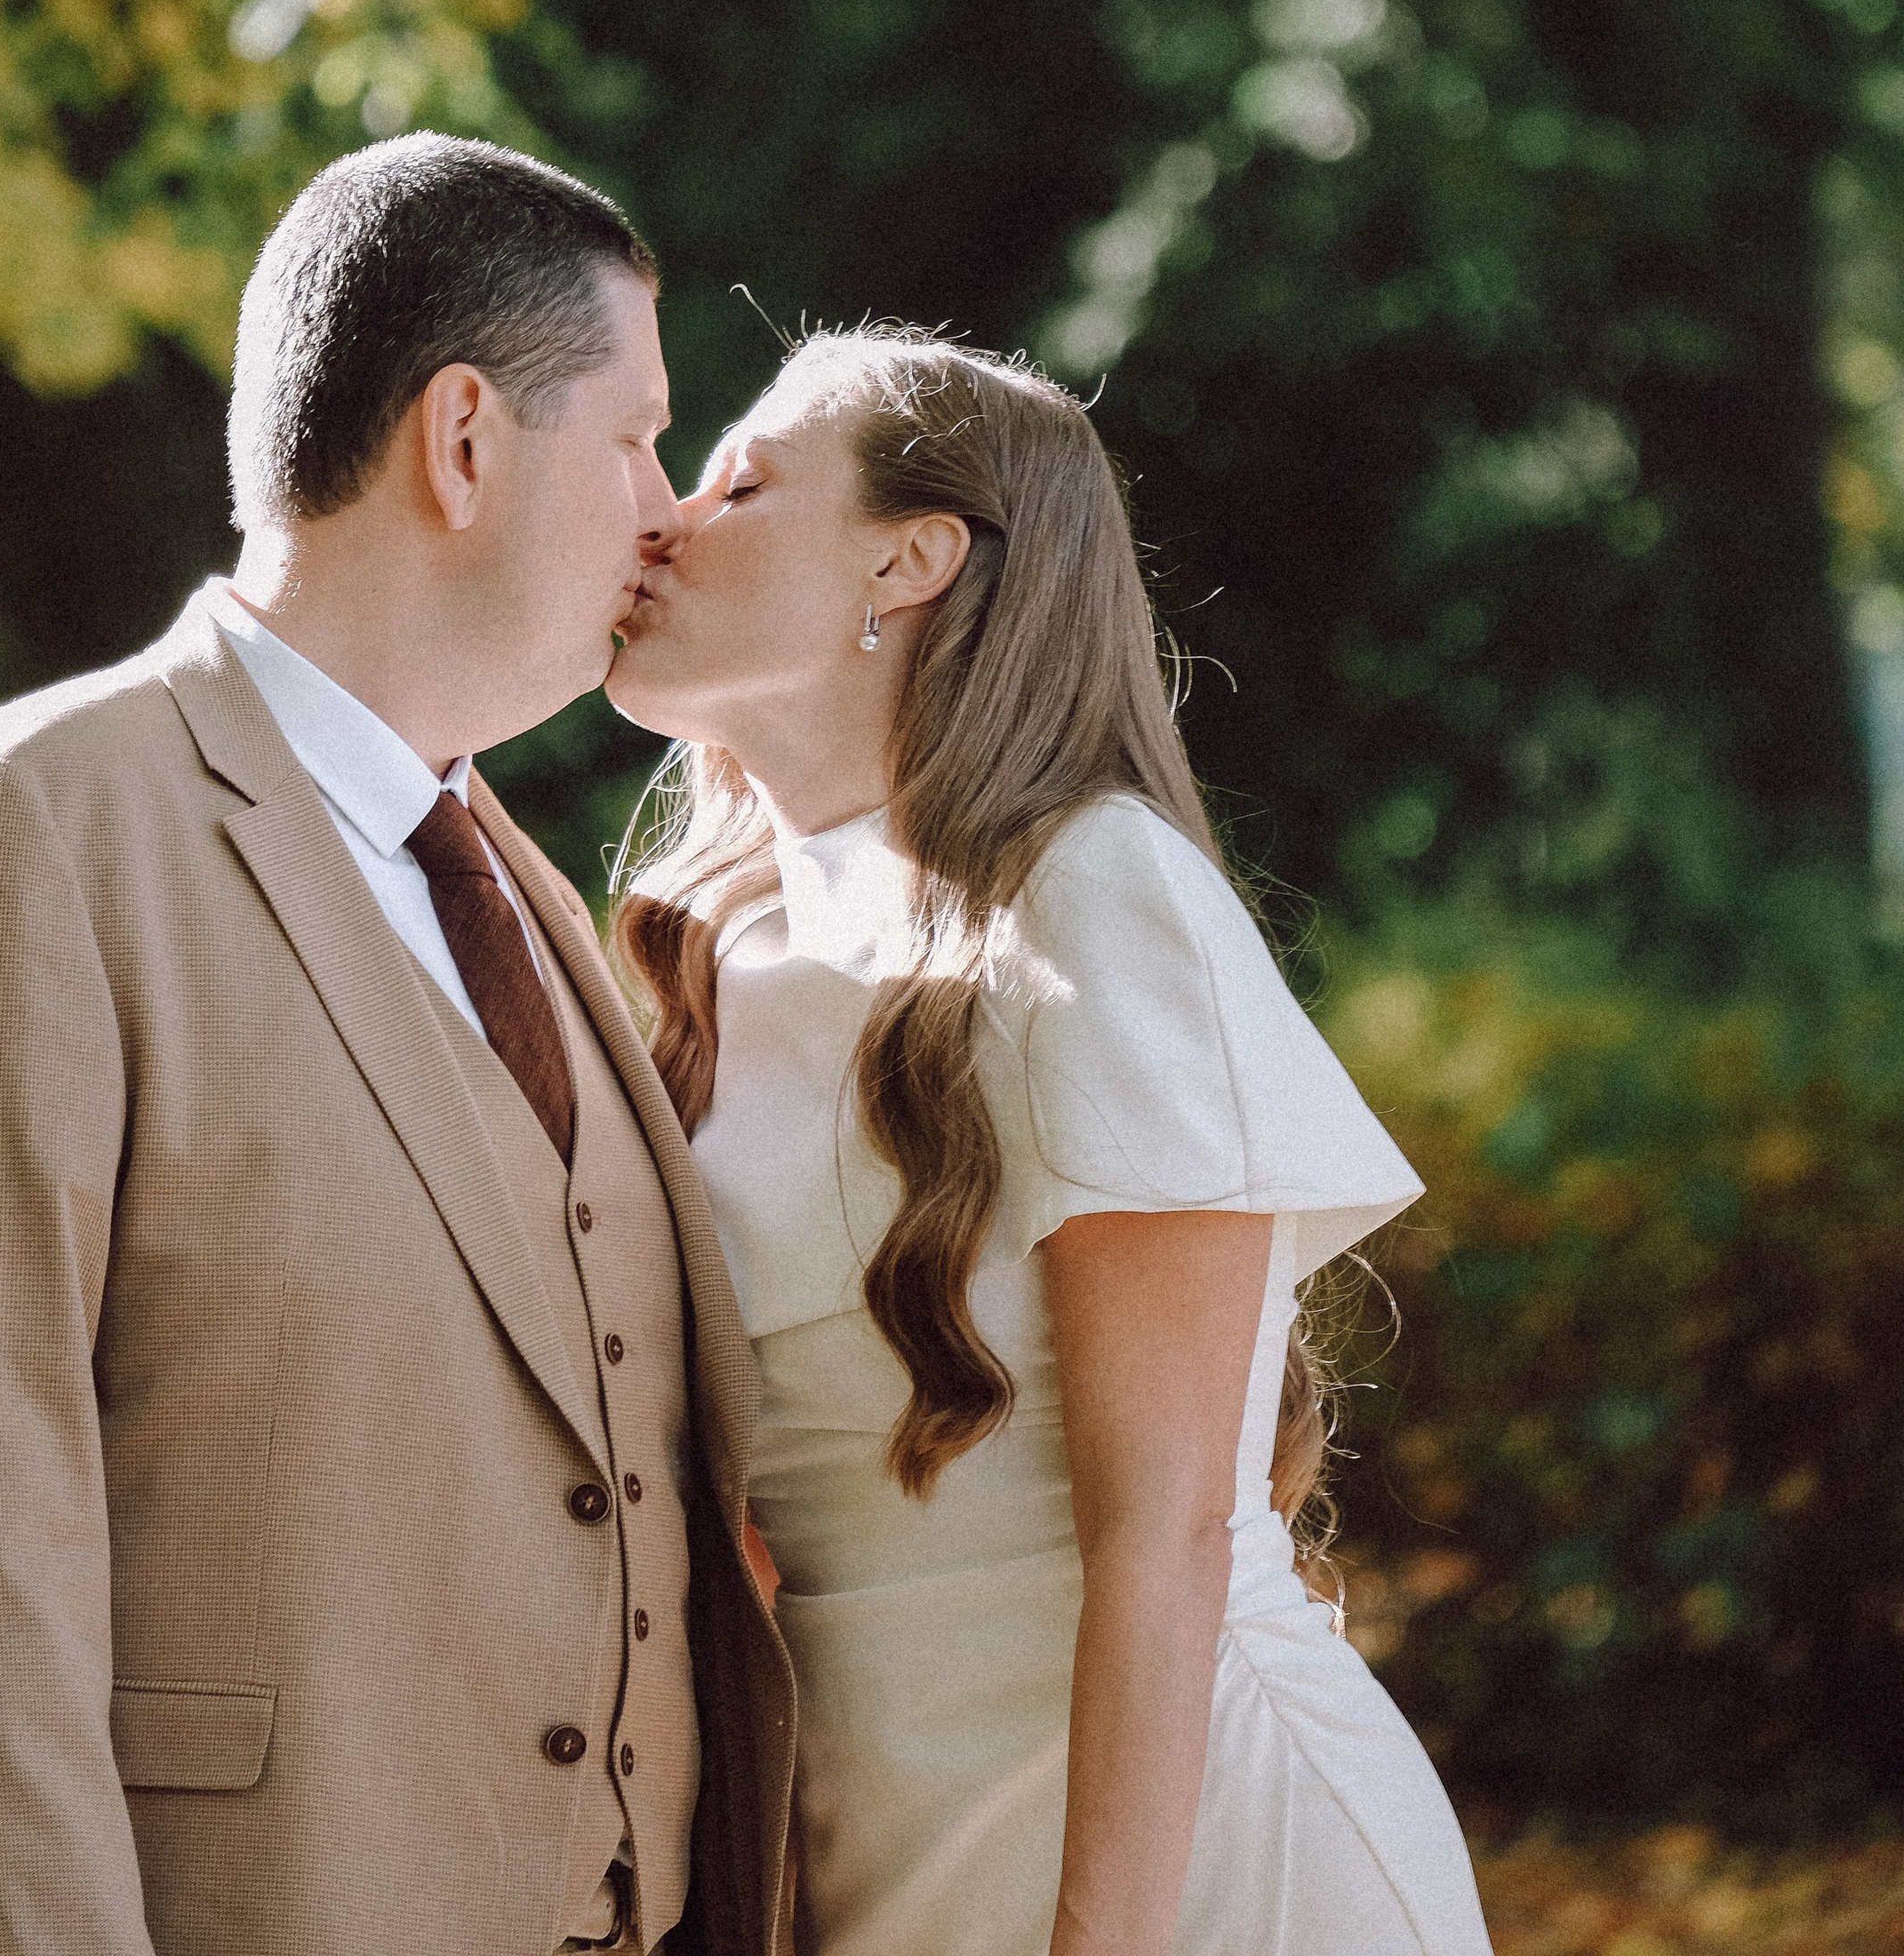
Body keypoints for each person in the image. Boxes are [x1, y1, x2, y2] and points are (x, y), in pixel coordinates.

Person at [0, 136, 792, 1956]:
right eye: (631, 437)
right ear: (461, 439)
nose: (664, 508)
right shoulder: (34, 826)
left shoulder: (531, 898)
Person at [609, 328, 1492, 1956]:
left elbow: (1166, 1533)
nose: (662, 518)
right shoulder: (696, 963)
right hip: (889, 1866)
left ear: (913, 555)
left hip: (1202, 1872)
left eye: (741, 480)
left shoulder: (1093, 896)